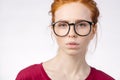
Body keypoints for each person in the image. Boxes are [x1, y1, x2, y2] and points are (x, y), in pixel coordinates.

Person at [16, 0, 115, 80]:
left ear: (93, 30)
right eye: (63, 25)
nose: (72, 34)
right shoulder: (28, 77)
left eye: (81, 24)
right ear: (53, 29)